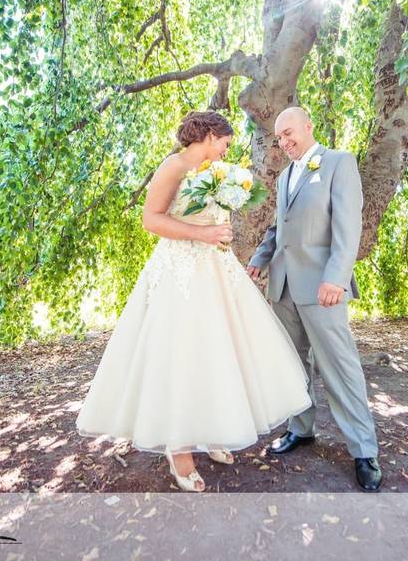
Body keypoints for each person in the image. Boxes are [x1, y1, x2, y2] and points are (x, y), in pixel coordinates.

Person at [75, 110, 312, 492]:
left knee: (219, 351)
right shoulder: (175, 166)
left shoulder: (216, 172)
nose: (226, 151)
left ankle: (213, 430)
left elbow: (211, 216)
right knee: (181, 355)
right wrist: (199, 235)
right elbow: (151, 220)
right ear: (209, 135)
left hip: (217, 273)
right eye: (225, 143)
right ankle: (179, 449)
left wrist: (221, 229)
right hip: (180, 275)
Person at [246, 106, 383, 492]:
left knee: (340, 367)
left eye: (289, 133)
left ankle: (363, 451)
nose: (285, 142)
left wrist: (336, 278)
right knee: (293, 364)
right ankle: (300, 429)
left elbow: (348, 226)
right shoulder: (285, 176)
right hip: (283, 286)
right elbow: (280, 226)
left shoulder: (339, 163)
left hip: (323, 288)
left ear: (308, 126)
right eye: (279, 138)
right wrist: (260, 259)